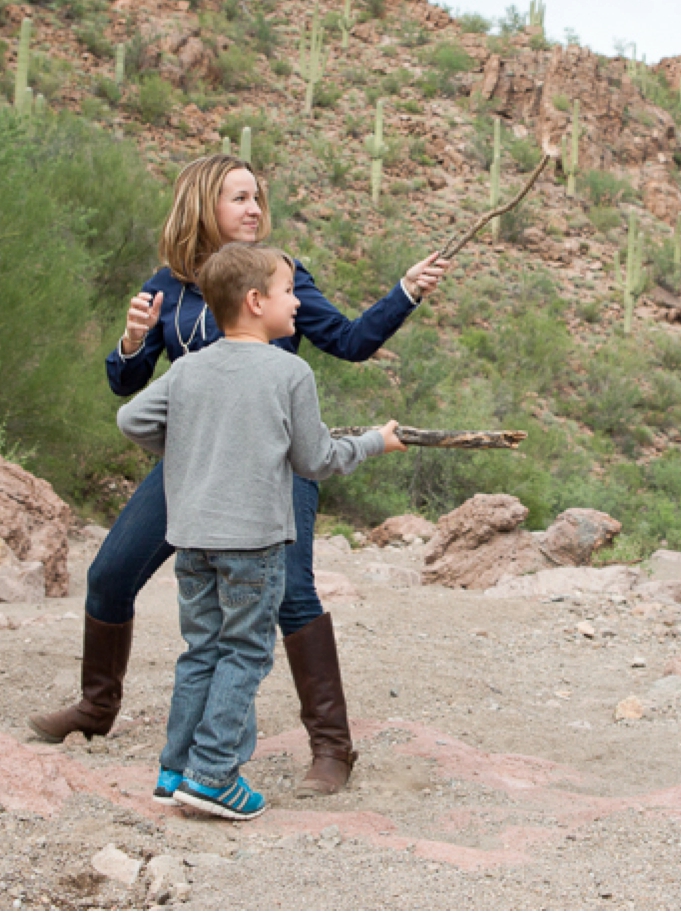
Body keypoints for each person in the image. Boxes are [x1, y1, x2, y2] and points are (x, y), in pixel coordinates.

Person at [30, 153, 448, 800]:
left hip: (277, 463)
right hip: (194, 466)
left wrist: (405, 292)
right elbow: (128, 388)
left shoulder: (283, 278)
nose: (254, 208)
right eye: (239, 197)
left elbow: (350, 340)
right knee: (110, 574)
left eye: (258, 197)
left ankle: (332, 745)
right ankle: (96, 706)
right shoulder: (164, 287)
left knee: (293, 591)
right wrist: (134, 341)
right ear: (204, 205)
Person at [118, 244, 406, 819]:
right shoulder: (288, 371)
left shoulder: (190, 368)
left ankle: (174, 768)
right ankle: (212, 776)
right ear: (255, 302)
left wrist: (191, 451)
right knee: (245, 653)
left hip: (192, 537)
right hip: (252, 541)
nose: (298, 301)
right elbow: (316, 458)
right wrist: (377, 440)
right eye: (288, 291)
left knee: (201, 649)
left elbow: (132, 419)